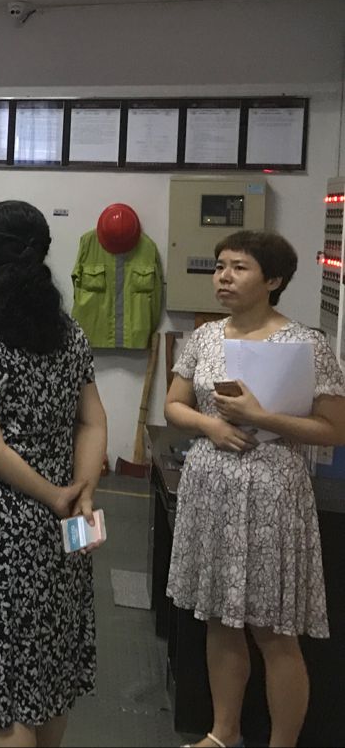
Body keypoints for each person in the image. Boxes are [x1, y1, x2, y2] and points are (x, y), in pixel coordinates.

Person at [164, 231, 345, 748]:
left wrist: (262, 417)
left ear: (273, 280)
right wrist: (211, 425)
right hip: (211, 488)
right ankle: (224, 733)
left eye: (239, 267)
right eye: (220, 266)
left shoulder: (306, 344)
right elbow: (173, 405)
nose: (224, 276)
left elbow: (334, 428)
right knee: (220, 619)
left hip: (272, 494)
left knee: (273, 630)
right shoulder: (205, 337)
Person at [0, 200, 107, 748]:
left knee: (3, 702)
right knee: (47, 676)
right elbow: (92, 421)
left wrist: (55, 494)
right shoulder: (68, 334)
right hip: (63, 524)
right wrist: (82, 493)